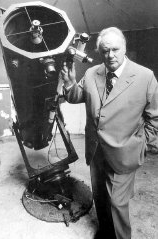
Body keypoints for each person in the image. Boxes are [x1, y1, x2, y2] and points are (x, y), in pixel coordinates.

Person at [61, 27, 158, 239]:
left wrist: (141, 147)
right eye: (105, 51)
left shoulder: (145, 77)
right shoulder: (91, 73)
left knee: (116, 203)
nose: (110, 55)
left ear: (124, 48)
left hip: (124, 153)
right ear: (99, 52)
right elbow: (78, 96)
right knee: (101, 198)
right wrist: (69, 84)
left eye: (115, 49)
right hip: (96, 151)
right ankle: (105, 233)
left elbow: (156, 119)